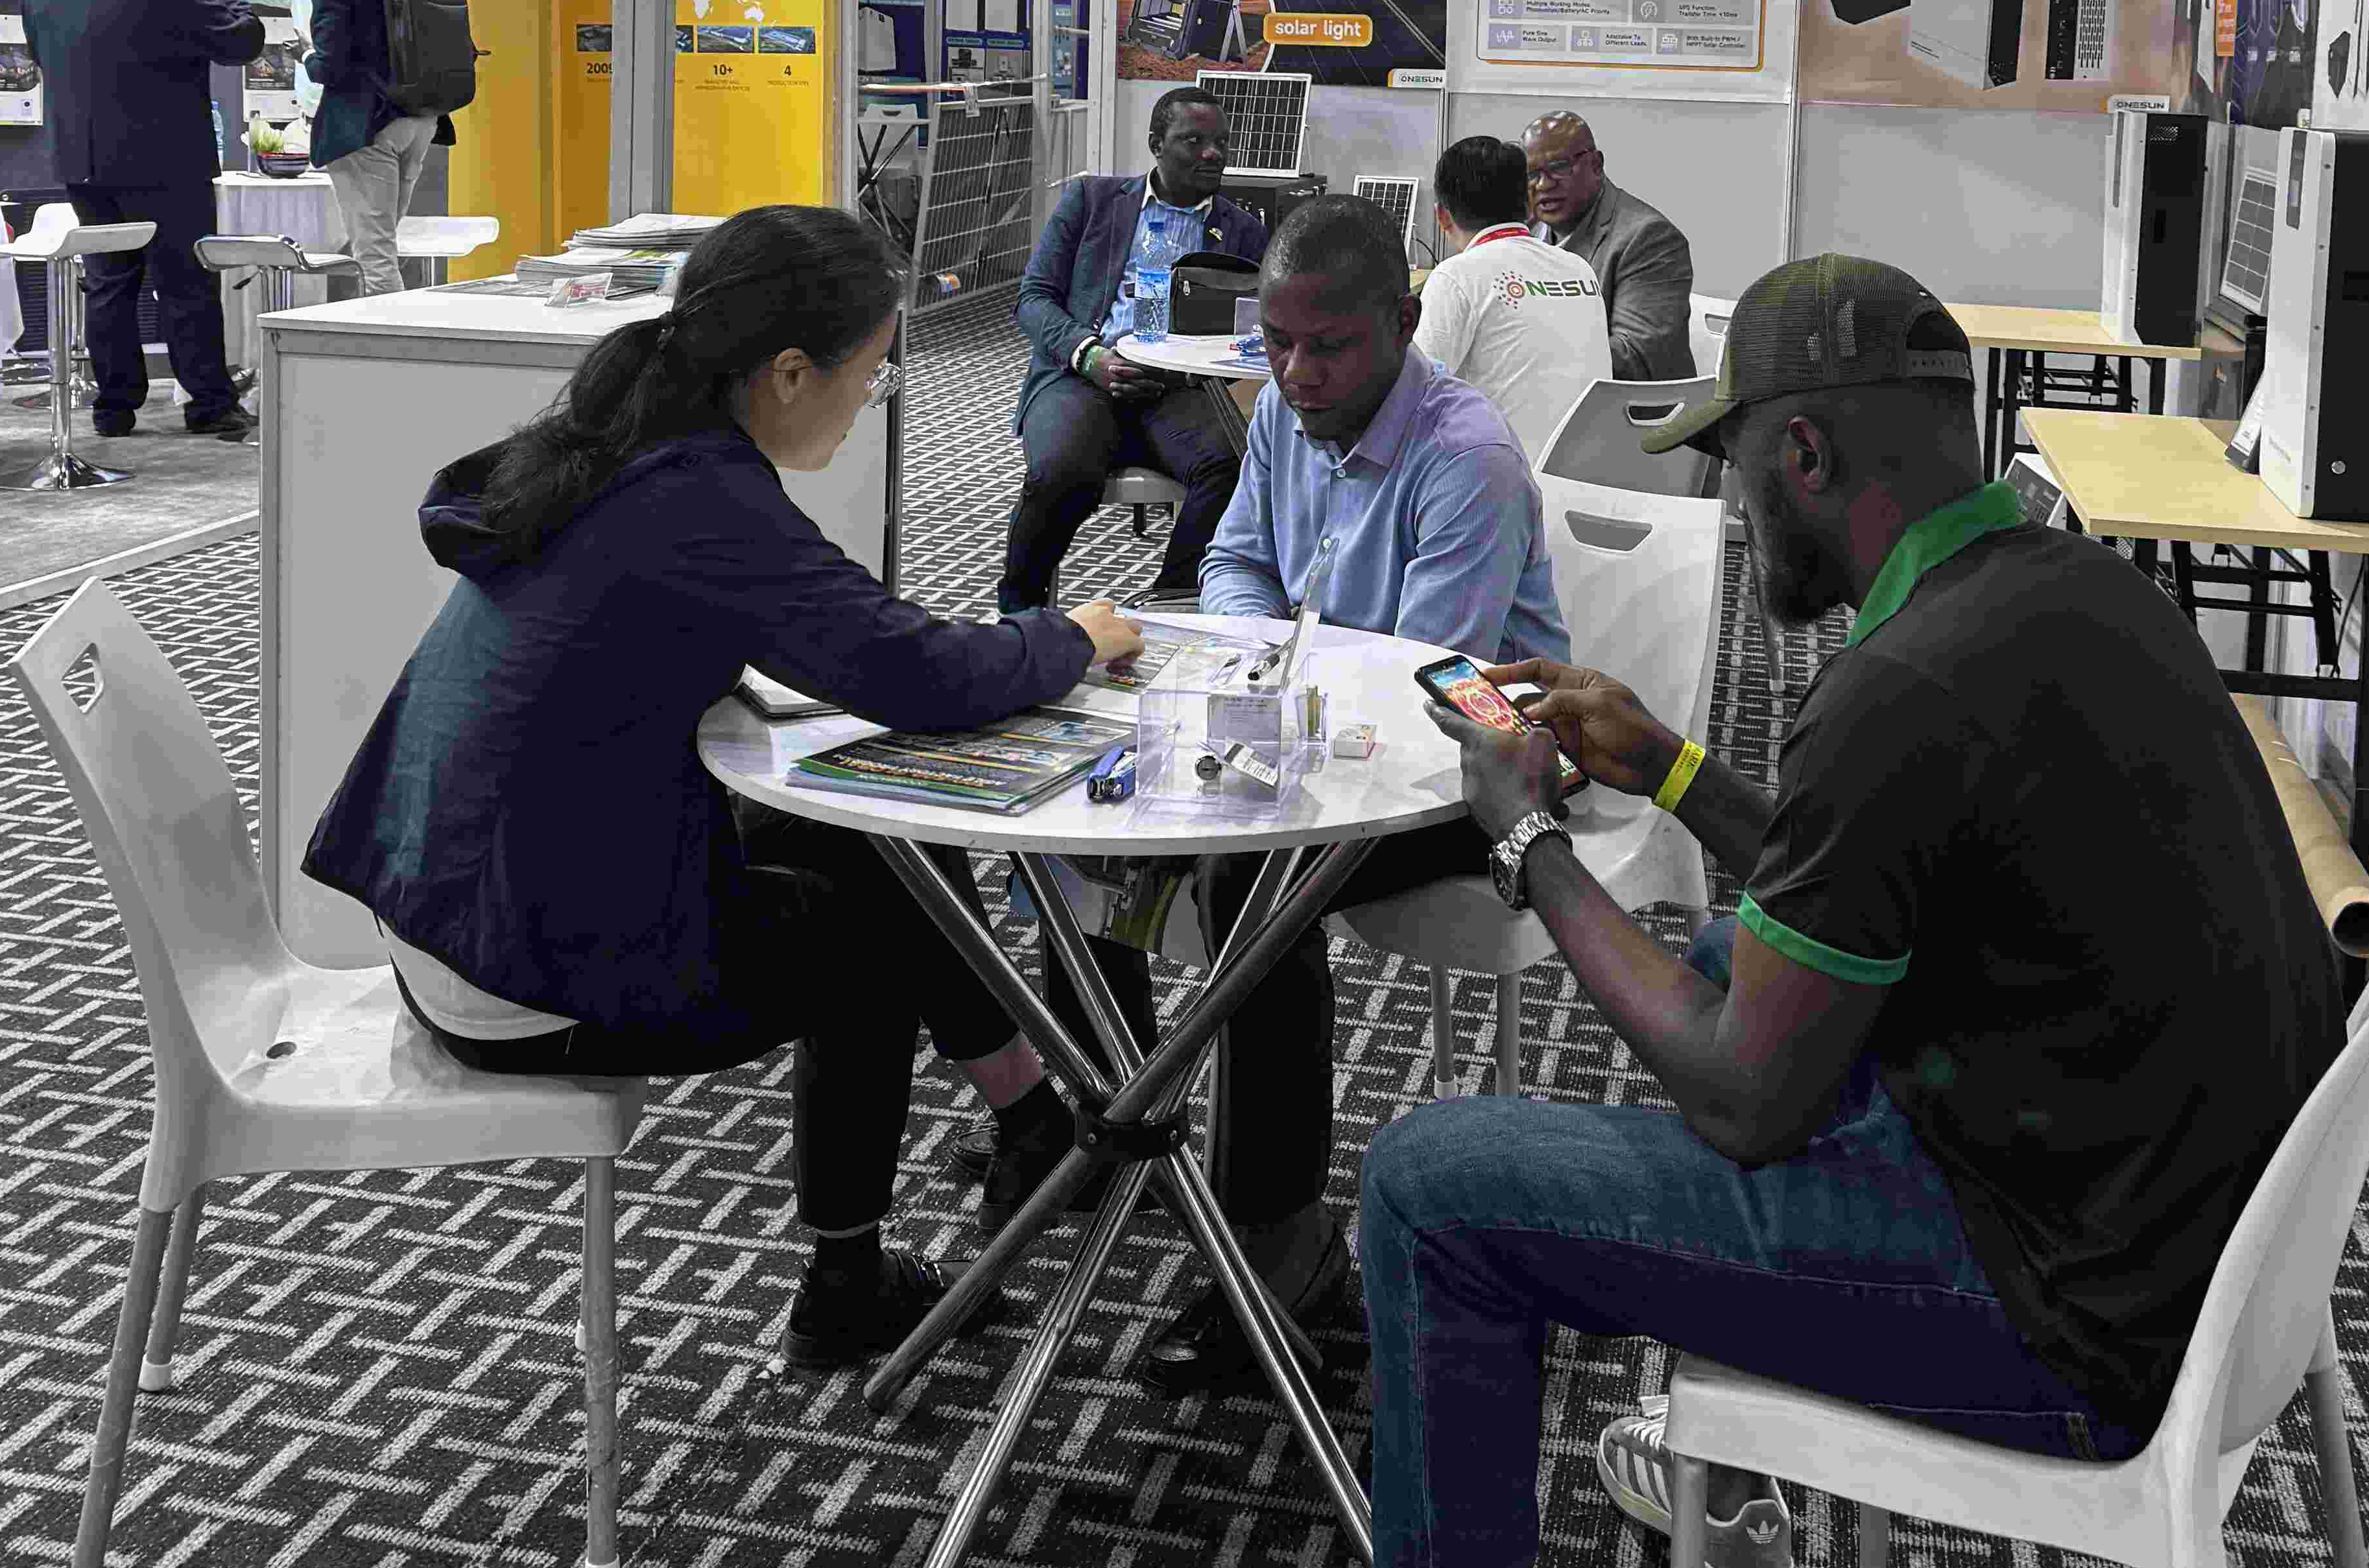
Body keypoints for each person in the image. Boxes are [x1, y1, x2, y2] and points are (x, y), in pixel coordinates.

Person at [1191, 252, 2343, 1568]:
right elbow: (1856, 895)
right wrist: (1666, 769)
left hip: (2067, 1324)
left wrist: (1529, 841)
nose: (1733, 511)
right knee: (1739, 957)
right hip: (2171, 1240)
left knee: (1435, 1188)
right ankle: (1725, 1477)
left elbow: (1746, 1102)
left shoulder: (1900, 693)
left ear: (1805, 455)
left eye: (1736, 468)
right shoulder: (2069, 592)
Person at [304, 205, 1145, 1372]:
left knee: (864, 837)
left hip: (447, 916)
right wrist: (1072, 637)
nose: (875, 393)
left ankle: (1032, 1122)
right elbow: (916, 672)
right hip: (528, 973)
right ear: (790, 373)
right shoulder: (701, 502)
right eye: (872, 369)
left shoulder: (618, 441)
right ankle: (854, 1280)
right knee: (875, 928)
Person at [1147, 195, 1569, 1401]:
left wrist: (1274, 681)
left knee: (1251, 881)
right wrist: (1256, 654)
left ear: (1402, 322)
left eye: (1327, 346)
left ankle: (1278, 1250)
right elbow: (1234, 560)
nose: (1295, 373)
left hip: (1471, 770)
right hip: (1316, 728)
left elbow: (1420, 683)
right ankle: (1114, 1135)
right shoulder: (1286, 415)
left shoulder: (1465, 459)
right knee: (1094, 838)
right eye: (1276, 343)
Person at [19, 0, 265, 443]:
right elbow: (242, 43)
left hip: (82, 158)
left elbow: (37, 54)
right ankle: (209, 405)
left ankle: (115, 409)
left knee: (108, 282)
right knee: (185, 284)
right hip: (168, 163)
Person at [1001, 91, 1269, 611]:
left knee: (1230, 467)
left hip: (1179, 389)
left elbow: (1258, 326)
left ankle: (1172, 605)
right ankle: (1021, 614)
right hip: (1082, 375)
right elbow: (1033, 300)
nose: (1213, 153)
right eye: (1194, 140)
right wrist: (1089, 355)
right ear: (1156, 144)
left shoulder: (1243, 231)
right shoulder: (1092, 202)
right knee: (1061, 472)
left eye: (1221, 142)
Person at [1412, 133, 1610, 467]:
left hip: (1505, 479)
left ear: (1443, 217)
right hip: (1590, 475)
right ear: (1528, 206)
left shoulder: (1457, 276)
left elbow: (1413, 398)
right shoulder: (1580, 269)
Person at [302, 0, 451, 298]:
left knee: (375, 257)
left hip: (366, 127)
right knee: (382, 245)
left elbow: (331, 65)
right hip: (418, 119)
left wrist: (305, 55)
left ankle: (389, 337)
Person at [1520, 112, 1694, 382]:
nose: (1544, 184)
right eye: (1532, 174)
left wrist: (1523, 353)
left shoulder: (1649, 238)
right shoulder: (1525, 230)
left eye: (1559, 167)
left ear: (1596, 164)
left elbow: (1635, 356)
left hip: (1629, 403)